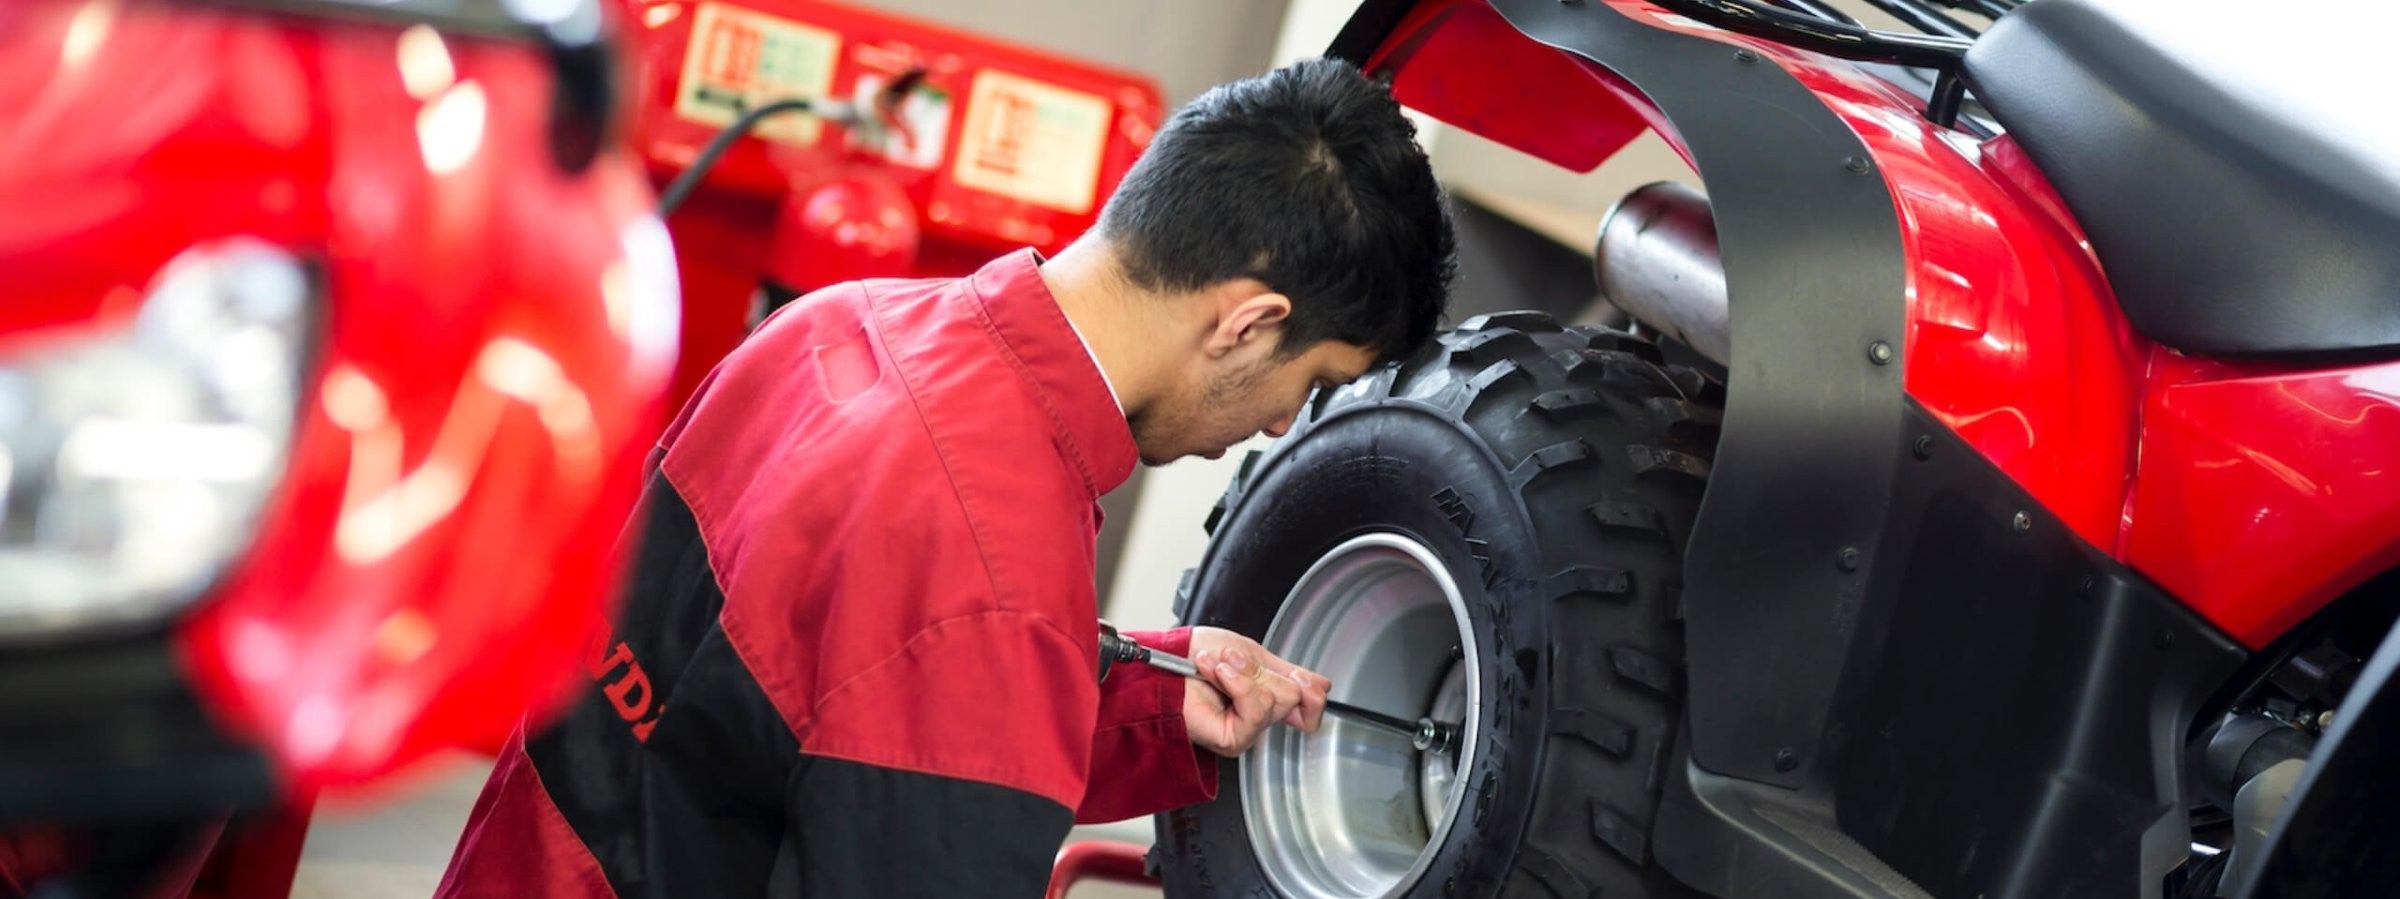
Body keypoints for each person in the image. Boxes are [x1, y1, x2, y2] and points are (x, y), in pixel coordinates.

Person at [435, 56, 1455, 898]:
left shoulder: (836, 323)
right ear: (1249, 321)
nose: (1280, 423)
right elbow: (937, 684)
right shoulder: (995, 575)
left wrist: (1144, 693)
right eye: (1308, 382)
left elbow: (802, 700)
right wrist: (1030, 650)